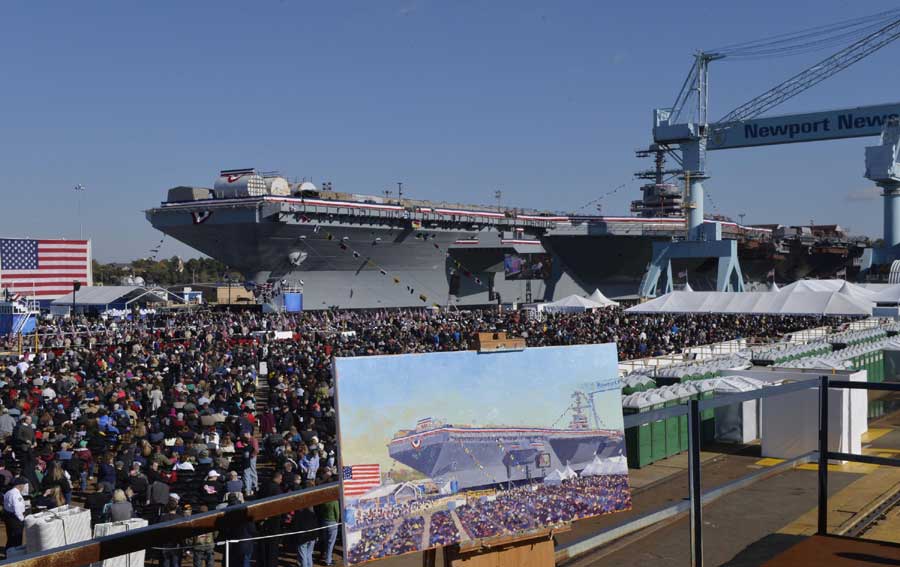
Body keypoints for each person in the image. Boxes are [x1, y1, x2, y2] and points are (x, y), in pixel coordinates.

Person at [221, 493, 256, 567]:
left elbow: (225, 529)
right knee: (245, 562)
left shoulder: (227, 512)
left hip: (233, 543)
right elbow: (252, 529)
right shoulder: (245, 510)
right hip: (246, 542)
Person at [3, 478, 28, 553]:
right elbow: (17, 510)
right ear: (20, 485)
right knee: (16, 538)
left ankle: (8, 551)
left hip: (8, 516)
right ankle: (14, 555)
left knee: (10, 536)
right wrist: (22, 519)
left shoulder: (8, 492)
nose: (24, 487)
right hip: (16, 519)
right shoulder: (16, 494)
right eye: (24, 485)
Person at [316, 487, 340, 567]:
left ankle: (327, 557)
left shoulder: (324, 501)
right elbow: (337, 513)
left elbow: (322, 512)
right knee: (331, 543)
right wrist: (337, 521)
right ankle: (328, 560)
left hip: (324, 522)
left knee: (326, 541)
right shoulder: (335, 502)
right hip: (332, 523)